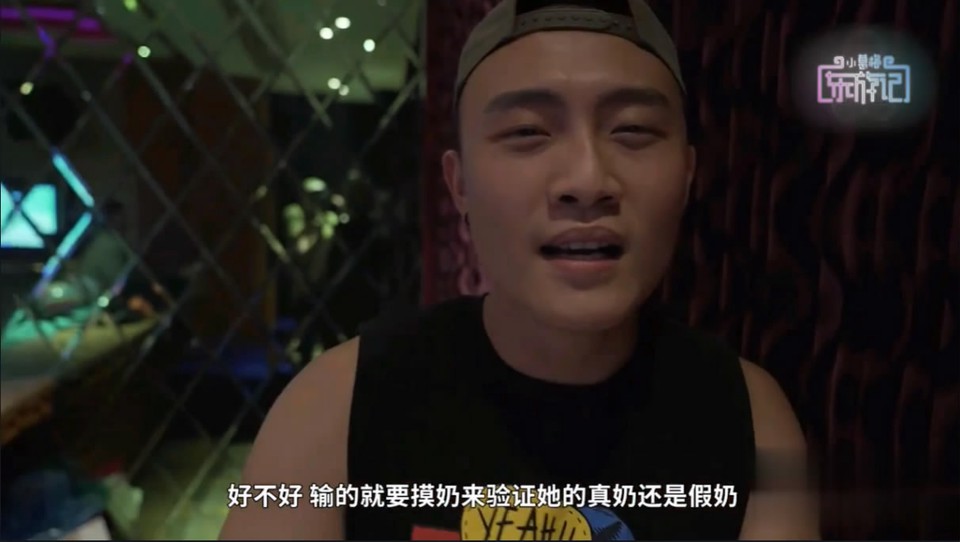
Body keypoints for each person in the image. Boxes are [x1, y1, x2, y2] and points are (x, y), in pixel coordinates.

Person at [220, 0, 820, 539]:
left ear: (687, 176)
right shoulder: (335, 403)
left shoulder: (748, 414)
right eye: (528, 132)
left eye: (633, 130)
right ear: (459, 185)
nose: (587, 180)